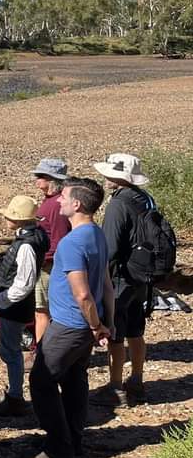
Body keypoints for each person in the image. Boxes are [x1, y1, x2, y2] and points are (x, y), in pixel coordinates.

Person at [30, 177, 114, 458]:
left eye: (64, 197)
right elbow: (106, 285)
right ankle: (74, 440)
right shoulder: (97, 234)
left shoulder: (71, 243)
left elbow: (82, 294)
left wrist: (95, 326)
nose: (60, 201)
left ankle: (59, 446)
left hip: (70, 325)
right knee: (75, 378)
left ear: (77, 204)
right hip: (87, 325)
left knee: (41, 380)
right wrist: (106, 323)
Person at [94, 153, 153, 406]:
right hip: (143, 276)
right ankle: (137, 381)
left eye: (109, 174)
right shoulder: (145, 199)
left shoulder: (118, 203)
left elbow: (110, 247)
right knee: (136, 331)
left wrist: (99, 279)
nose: (105, 178)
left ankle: (116, 387)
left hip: (121, 277)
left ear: (118, 177)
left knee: (115, 334)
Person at [0, 196, 49, 417]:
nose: (6, 219)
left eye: (9, 216)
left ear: (19, 220)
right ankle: (15, 395)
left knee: (10, 352)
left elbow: (25, 282)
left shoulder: (27, 245)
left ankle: (16, 398)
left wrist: (4, 300)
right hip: (18, 305)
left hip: (15, 306)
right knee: (10, 350)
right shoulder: (32, 238)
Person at [31, 158, 71, 341]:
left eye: (40, 176)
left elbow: (59, 240)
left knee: (42, 311)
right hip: (45, 264)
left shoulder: (55, 204)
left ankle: (41, 353)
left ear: (51, 179)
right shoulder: (51, 201)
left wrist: (40, 259)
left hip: (48, 267)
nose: (36, 179)